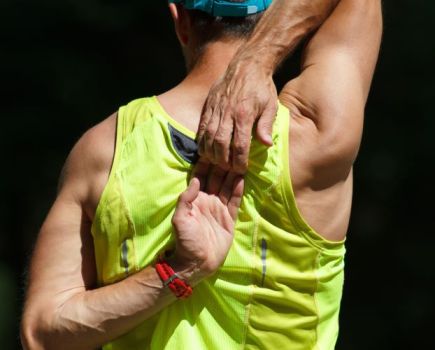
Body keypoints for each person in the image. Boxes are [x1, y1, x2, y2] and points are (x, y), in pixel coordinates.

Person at [21, 0, 382, 349]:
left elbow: (42, 334)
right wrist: (258, 59)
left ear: (180, 20)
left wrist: (176, 272)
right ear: (276, 13)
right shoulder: (316, 135)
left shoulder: (104, 150)